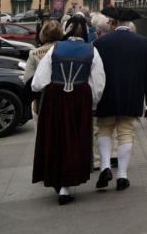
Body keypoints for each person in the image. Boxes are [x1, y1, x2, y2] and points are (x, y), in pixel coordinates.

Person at [31, 15, 105, 205]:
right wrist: (93, 103)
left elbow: (38, 82)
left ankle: (59, 181)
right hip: (80, 98)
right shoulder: (92, 50)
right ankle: (67, 184)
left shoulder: (55, 49)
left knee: (56, 138)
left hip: (55, 98)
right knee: (75, 139)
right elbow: (98, 83)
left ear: (67, 29)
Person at [93, 6, 147, 192]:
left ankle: (105, 166)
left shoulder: (99, 43)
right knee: (126, 132)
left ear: (113, 23)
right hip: (131, 94)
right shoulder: (144, 43)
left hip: (106, 94)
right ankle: (122, 175)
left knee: (104, 129)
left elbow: (94, 73)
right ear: (129, 24)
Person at [21, 20, 63, 115]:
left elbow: (27, 79)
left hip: (42, 97)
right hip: (63, 95)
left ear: (43, 34)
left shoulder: (34, 53)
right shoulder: (66, 50)